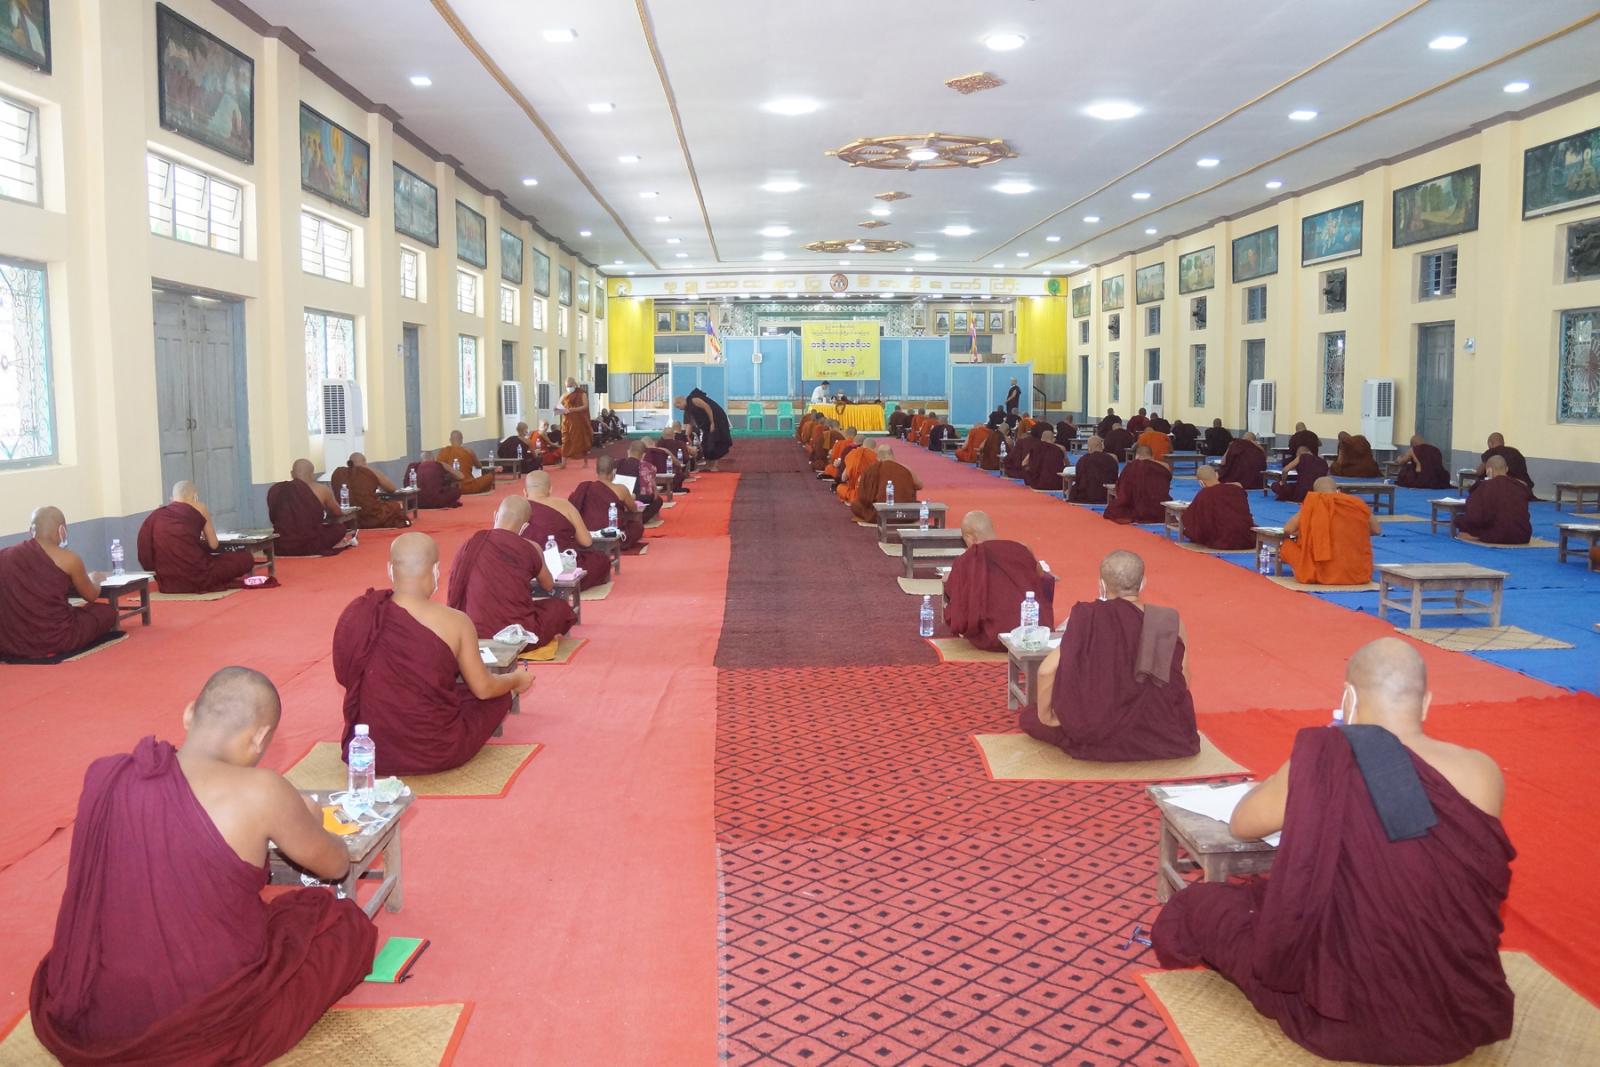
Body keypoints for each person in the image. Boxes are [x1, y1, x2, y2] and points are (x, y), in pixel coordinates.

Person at [1153, 639, 1513, 1065]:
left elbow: (1242, 823)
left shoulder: (1325, 758)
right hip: (1456, 1017)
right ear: (1426, 703)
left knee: (1201, 905)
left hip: (1345, 1019)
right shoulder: (1483, 771)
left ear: (1348, 699)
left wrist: (1309, 768)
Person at [28, 668, 377, 1066]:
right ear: (260, 737)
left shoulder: (106, 775)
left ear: (189, 713)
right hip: (204, 1013)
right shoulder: (262, 791)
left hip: (99, 1015)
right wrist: (310, 818)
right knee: (342, 924)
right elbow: (335, 865)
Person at [333, 533, 530, 775]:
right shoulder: (456, 622)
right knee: (494, 698)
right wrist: (515, 680)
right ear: (436, 571)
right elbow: (484, 689)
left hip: (373, 752)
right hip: (436, 751)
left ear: (389, 570)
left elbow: (345, 676)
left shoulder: (362, 614)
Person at [1022, 551, 1199, 761]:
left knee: (1029, 718)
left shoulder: (1089, 616)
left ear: (1102, 585)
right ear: (1143, 582)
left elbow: (1046, 671)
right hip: (1164, 733)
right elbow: (1184, 678)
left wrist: (1047, 717)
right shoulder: (1169, 620)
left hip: (1101, 729)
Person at [447, 496, 575, 650]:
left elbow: (456, 586)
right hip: (517, 635)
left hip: (474, 633)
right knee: (560, 608)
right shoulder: (531, 547)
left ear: (495, 515)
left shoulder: (470, 544)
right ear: (525, 527)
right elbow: (548, 585)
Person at [0, 506, 118, 660]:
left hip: (11, 641)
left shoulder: (4, 555)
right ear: (62, 531)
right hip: (56, 638)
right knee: (106, 612)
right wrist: (95, 579)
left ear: (31, 531)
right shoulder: (69, 559)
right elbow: (91, 595)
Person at [943, 511, 1055, 652]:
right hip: (1030, 636)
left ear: (969, 537)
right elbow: (1042, 577)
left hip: (992, 637)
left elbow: (955, 597)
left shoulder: (966, 560)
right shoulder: (1021, 549)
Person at [137, 481, 257, 593]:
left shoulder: (158, 514)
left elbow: (145, 551)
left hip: (167, 582)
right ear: (195, 496)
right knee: (245, 558)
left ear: (173, 498)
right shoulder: (200, 508)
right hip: (198, 577)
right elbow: (213, 545)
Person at [1280, 477, 1382, 585]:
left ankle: (1311, 572)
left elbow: (1288, 529)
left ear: (1315, 492)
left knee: (1287, 545)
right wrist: (1354, 532)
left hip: (1322, 575)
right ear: (1337, 490)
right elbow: (1377, 530)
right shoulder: (1355, 502)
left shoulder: (1314, 501)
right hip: (1358, 576)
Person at [523, 472, 611, 590]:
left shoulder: (515, 510)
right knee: (601, 561)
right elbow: (586, 542)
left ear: (525, 492)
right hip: (562, 568)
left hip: (528, 569)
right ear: (550, 489)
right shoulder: (564, 505)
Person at [268, 460, 354, 556]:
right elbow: (337, 512)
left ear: (291, 474)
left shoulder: (277, 489)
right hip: (310, 542)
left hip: (282, 544)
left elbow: (273, 517)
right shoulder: (321, 489)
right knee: (339, 528)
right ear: (312, 475)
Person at [570, 454, 645, 549]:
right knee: (637, 527)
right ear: (613, 472)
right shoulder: (621, 489)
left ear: (597, 471)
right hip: (612, 533)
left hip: (587, 533)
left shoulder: (585, 487)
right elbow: (633, 510)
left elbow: (572, 506)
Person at [1457, 455, 1533, 545]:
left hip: (1498, 535)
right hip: (1522, 535)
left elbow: (1474, 517)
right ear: (1507, 469)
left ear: (1489, 471)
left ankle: (1476, 536)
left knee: (1459, 520)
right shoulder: (1520, 486)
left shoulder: (1485, 486)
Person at [1181, 466, 1256, 549]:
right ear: (1217, 475)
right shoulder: (1236, 489)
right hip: (1245, 538)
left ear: (1200, 482)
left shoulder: (1204, 494)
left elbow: (1189, 518)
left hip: (1222, 539)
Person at [329, 454, 409, 530]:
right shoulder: (369, 471)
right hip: (370, 516)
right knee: (395, 506)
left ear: (348, 463)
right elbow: (392, 489)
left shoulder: (338, 473)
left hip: (348, 518)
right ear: (365, 463)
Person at [849, 444, 921, 522]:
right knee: (920, 505)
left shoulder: (872, 469)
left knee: (855, 504)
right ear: (892, 455)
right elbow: (920, 486)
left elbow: (863, 496)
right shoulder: (905, 468)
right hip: (905, 514)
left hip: (880, 514)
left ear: (878, 458)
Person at [1104, 444, 1173, 524]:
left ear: (1137, 456)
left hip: (1138, 508)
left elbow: (1122, 488)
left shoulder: (1131, 467)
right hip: (1159, 509)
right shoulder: (1163, 466)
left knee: (1114, 509)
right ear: (1152, 456)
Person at [677, 388, 732, 469]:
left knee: (714, 441)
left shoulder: (694, 400)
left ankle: (714, 466)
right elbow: (689, 423)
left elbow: (707, 407)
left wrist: (712, 422)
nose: (679, 409)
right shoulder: (688, 409)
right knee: (705, 443)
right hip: (707, 424)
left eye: (678, 407)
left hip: (717, 419)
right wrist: (687, 436)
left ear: (680, 402)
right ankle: (708, 464)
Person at [616, 440, 664, 523]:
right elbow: (652, 492)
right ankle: (639, 518)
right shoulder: (649, 467)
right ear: (643, 455)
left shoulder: (619, 464)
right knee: (658, 500)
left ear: (628, 451)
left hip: (621, 501)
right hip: (640, 501)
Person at [1067, 436, 1118, 504]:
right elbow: (1115, 477)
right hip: (1106, 495)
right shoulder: (1111, 459)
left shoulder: (1083, 460)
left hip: (1086, 495)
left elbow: (1078, 479)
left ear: (1089, 448)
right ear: (1102, 447)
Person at [560, 378, 594, 462]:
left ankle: (582, 461)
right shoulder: (565, 395)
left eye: (570, 386)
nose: (568, 388)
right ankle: (564, 462)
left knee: (580, 440)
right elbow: (558, 406)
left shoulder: (582, 394)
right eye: (567, 386)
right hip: (567, 421)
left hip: (578, 421)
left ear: (574, 384)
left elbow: (585, 406)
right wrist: (561, 409)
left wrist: (573, 409)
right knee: (565, 440)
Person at [836, 437, 878, 503]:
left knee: (839, 488)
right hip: (871, 494)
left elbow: (843, 478)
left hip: (856, 493)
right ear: (874, 448)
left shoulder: (853, 454)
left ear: (862, 445)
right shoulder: (876, 457)